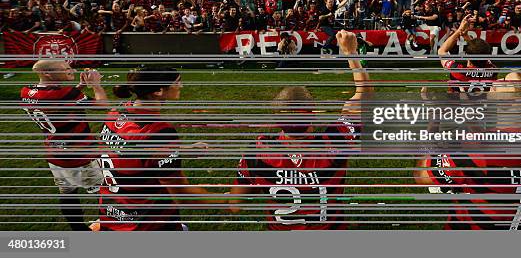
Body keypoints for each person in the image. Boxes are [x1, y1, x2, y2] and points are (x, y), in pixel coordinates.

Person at [228, 30, 371, 229]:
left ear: (277, 120)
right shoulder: (336, 139)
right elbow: (365, 95)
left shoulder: (257, 151)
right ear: (312, 115)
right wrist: (351, 53)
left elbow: (235, 204)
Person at [414, 72, 521, 230]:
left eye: (506, 81)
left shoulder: (471, 152)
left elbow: (421, 175)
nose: (497, 80)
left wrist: (433, 118)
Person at [92, 66, 222, 231]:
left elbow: (131, 150)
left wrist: (184, 150)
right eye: (177, 82)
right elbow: (183, 196)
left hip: (112, 215)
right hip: (149, 224)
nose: (181, 86)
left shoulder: (116, 112)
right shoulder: (159, 133)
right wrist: (226, 200)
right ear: (159, 91)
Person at [20, 60, 106, 231]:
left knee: (68, 193)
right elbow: (103, 105)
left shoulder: (26, 91)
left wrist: (80, 86)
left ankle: (78, 229)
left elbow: (60, 102)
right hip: (80, 153)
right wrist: (96, 85)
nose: (71, 70)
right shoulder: (64, 93)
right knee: (104, 191)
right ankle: (108, 226)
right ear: (48, 74)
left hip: (54, 152)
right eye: (65, 69)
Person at [437, 14, 497, 94]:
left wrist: (459, 30)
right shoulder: (493, 71)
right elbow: (481, 53)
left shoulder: (457, 70)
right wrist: (466, 36)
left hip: (458, 105)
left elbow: (441, 51)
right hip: (481, 105)